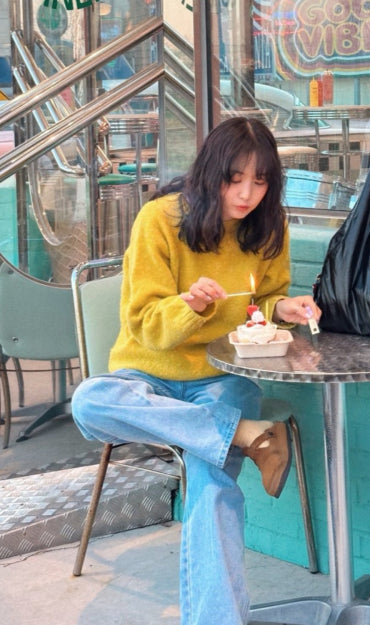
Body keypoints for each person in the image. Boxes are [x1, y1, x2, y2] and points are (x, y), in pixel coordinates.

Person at [71, 116, 322, 625]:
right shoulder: (160, 219)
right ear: (211, 172)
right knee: (89, 402)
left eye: (260, 181)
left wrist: (282, 308)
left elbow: (262, 301)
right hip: (148, 375)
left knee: (210, 482)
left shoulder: (269, 225)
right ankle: (247, 435)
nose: (247, 194)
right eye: (235, 179)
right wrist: (190, 306)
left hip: (222, 377)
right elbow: (145, 326)